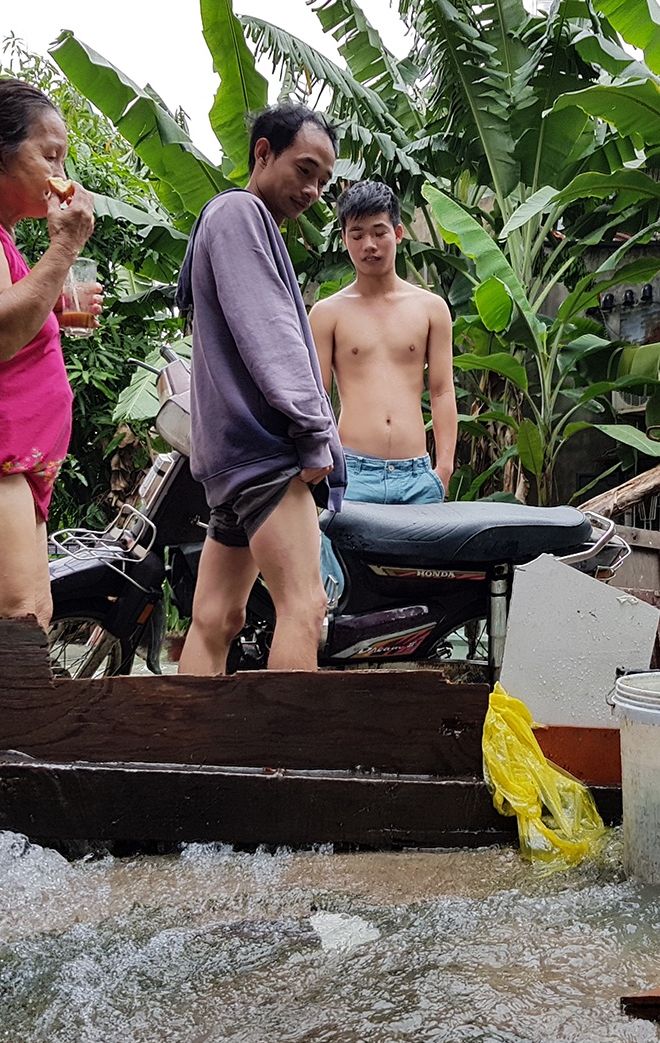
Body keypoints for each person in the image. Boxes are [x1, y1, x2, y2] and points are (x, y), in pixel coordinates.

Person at [176, 104, 344, 675]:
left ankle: (192, 733)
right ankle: (285, 737)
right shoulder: (240, 214)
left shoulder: (227, 218)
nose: (313, 190)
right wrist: (313, 433)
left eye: (323, 180)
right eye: (304, 170)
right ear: (263, 153)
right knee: (305, 607)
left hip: (232, 460)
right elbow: (271, 336)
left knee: (216, 618)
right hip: (265, 454)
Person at [0, 78, 101, 628]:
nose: (61, 175)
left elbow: (5, 317)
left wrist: (55, 308)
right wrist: (65, 246)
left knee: (33, 619)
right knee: (11, 629)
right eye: (50, 156)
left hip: (15, 467)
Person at [309, 180, 456, 504]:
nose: (369, 245)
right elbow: (317, 397)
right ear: (344, 239)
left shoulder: (431, 309)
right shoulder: (326, 314)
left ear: (398, 233)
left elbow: (442, 391)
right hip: (352, 474)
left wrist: (444, 468)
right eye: (357, 235)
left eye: (379, 233)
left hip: (417, 477)